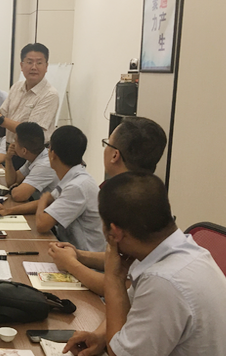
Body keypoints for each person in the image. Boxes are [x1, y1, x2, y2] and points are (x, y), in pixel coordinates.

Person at [63, 172, 226, 356]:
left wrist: (113, 278)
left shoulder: (164, 280)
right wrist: (101, 336)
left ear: (114, 232)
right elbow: (130, 305)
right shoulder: (184, 251)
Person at [47, 117, 168, 294]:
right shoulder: (149, 192)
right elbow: (122, 260)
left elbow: (124, 289)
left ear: (115, 155)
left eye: (107, 144)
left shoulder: (129, 203)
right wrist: (78, 255)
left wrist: (71, 264)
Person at [0, 43, 59, 147]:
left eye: (39, 63)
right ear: (21, 66)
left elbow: (32, 132)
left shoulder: (50, 94)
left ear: (46, 66)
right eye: (29, 62)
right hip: (11, 148)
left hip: (33, 151)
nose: (34, 67)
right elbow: (2, 115)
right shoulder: (16, 87)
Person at [35, 125, 104, 252]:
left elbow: (42, 224)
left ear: (52, 154)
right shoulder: (73, 177)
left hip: (85, 257)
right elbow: (49, 200)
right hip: (69, 250)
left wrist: (43, 200)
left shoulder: (77, 186)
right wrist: (8, 211)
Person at [0, 122, 59, 216]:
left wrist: (14, 187)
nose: (13, 144)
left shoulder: (44, 164)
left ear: (24, 150)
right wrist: (8, 159)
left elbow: (19, 195)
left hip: (56, 216)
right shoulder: (34, 157)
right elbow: (12, 181)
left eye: (15, 141)